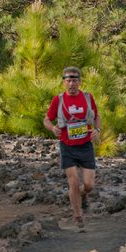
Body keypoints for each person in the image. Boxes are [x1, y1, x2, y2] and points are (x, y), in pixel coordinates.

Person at [43, 67, 100, 229]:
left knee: (89, 185)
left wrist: (97, 130)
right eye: (68, 80)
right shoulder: (58, 100)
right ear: (64, 82)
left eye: (75, 80)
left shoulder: (88, 98)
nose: (72, 83)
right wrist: (52, 128)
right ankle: (78, 216)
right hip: (67, 146)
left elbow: (96, 116)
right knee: (73, 181)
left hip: (86, 145)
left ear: (80, 81)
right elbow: (47, 119)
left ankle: (82, 195)